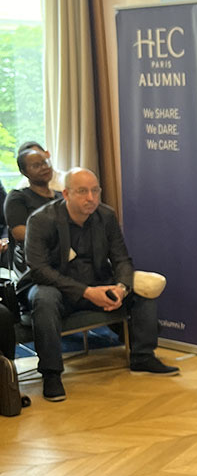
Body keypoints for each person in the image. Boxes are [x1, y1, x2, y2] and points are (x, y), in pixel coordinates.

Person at [20, 168, 179, 401]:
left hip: (97, 282)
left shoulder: (105, 216)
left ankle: (143, 356)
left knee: (141, 289)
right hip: (58, 287)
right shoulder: (42, 220)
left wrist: (121, 288)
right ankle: (52, 374)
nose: (91, 198)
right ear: (65, 194)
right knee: (44, 299)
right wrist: (85, 292)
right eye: (82, 192)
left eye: (95, 191)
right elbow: (39, 270)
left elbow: (122, 259)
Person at [4, 146, 62, 277]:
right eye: (36, 166)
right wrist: (59, 235)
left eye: (45, 162)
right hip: (35, 262)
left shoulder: (61, 197)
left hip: (68, 258)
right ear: (24, 171)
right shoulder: (18, 197)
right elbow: (19, 233)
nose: (44, 167)